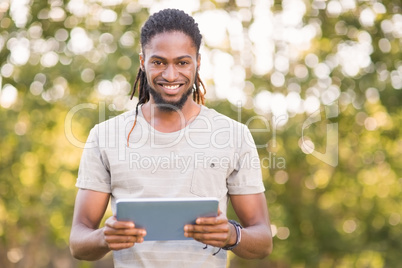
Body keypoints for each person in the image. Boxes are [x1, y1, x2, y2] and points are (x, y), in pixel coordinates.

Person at [69, 8, 273, 267]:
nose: (170, 75)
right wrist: (104, 238)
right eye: (159, 62)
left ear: (198, 61)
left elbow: (263, 241)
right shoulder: (105, 136)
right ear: (143, 62)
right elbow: (78, 242)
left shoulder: (233, 135)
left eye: (182, 62)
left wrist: (232, 235)